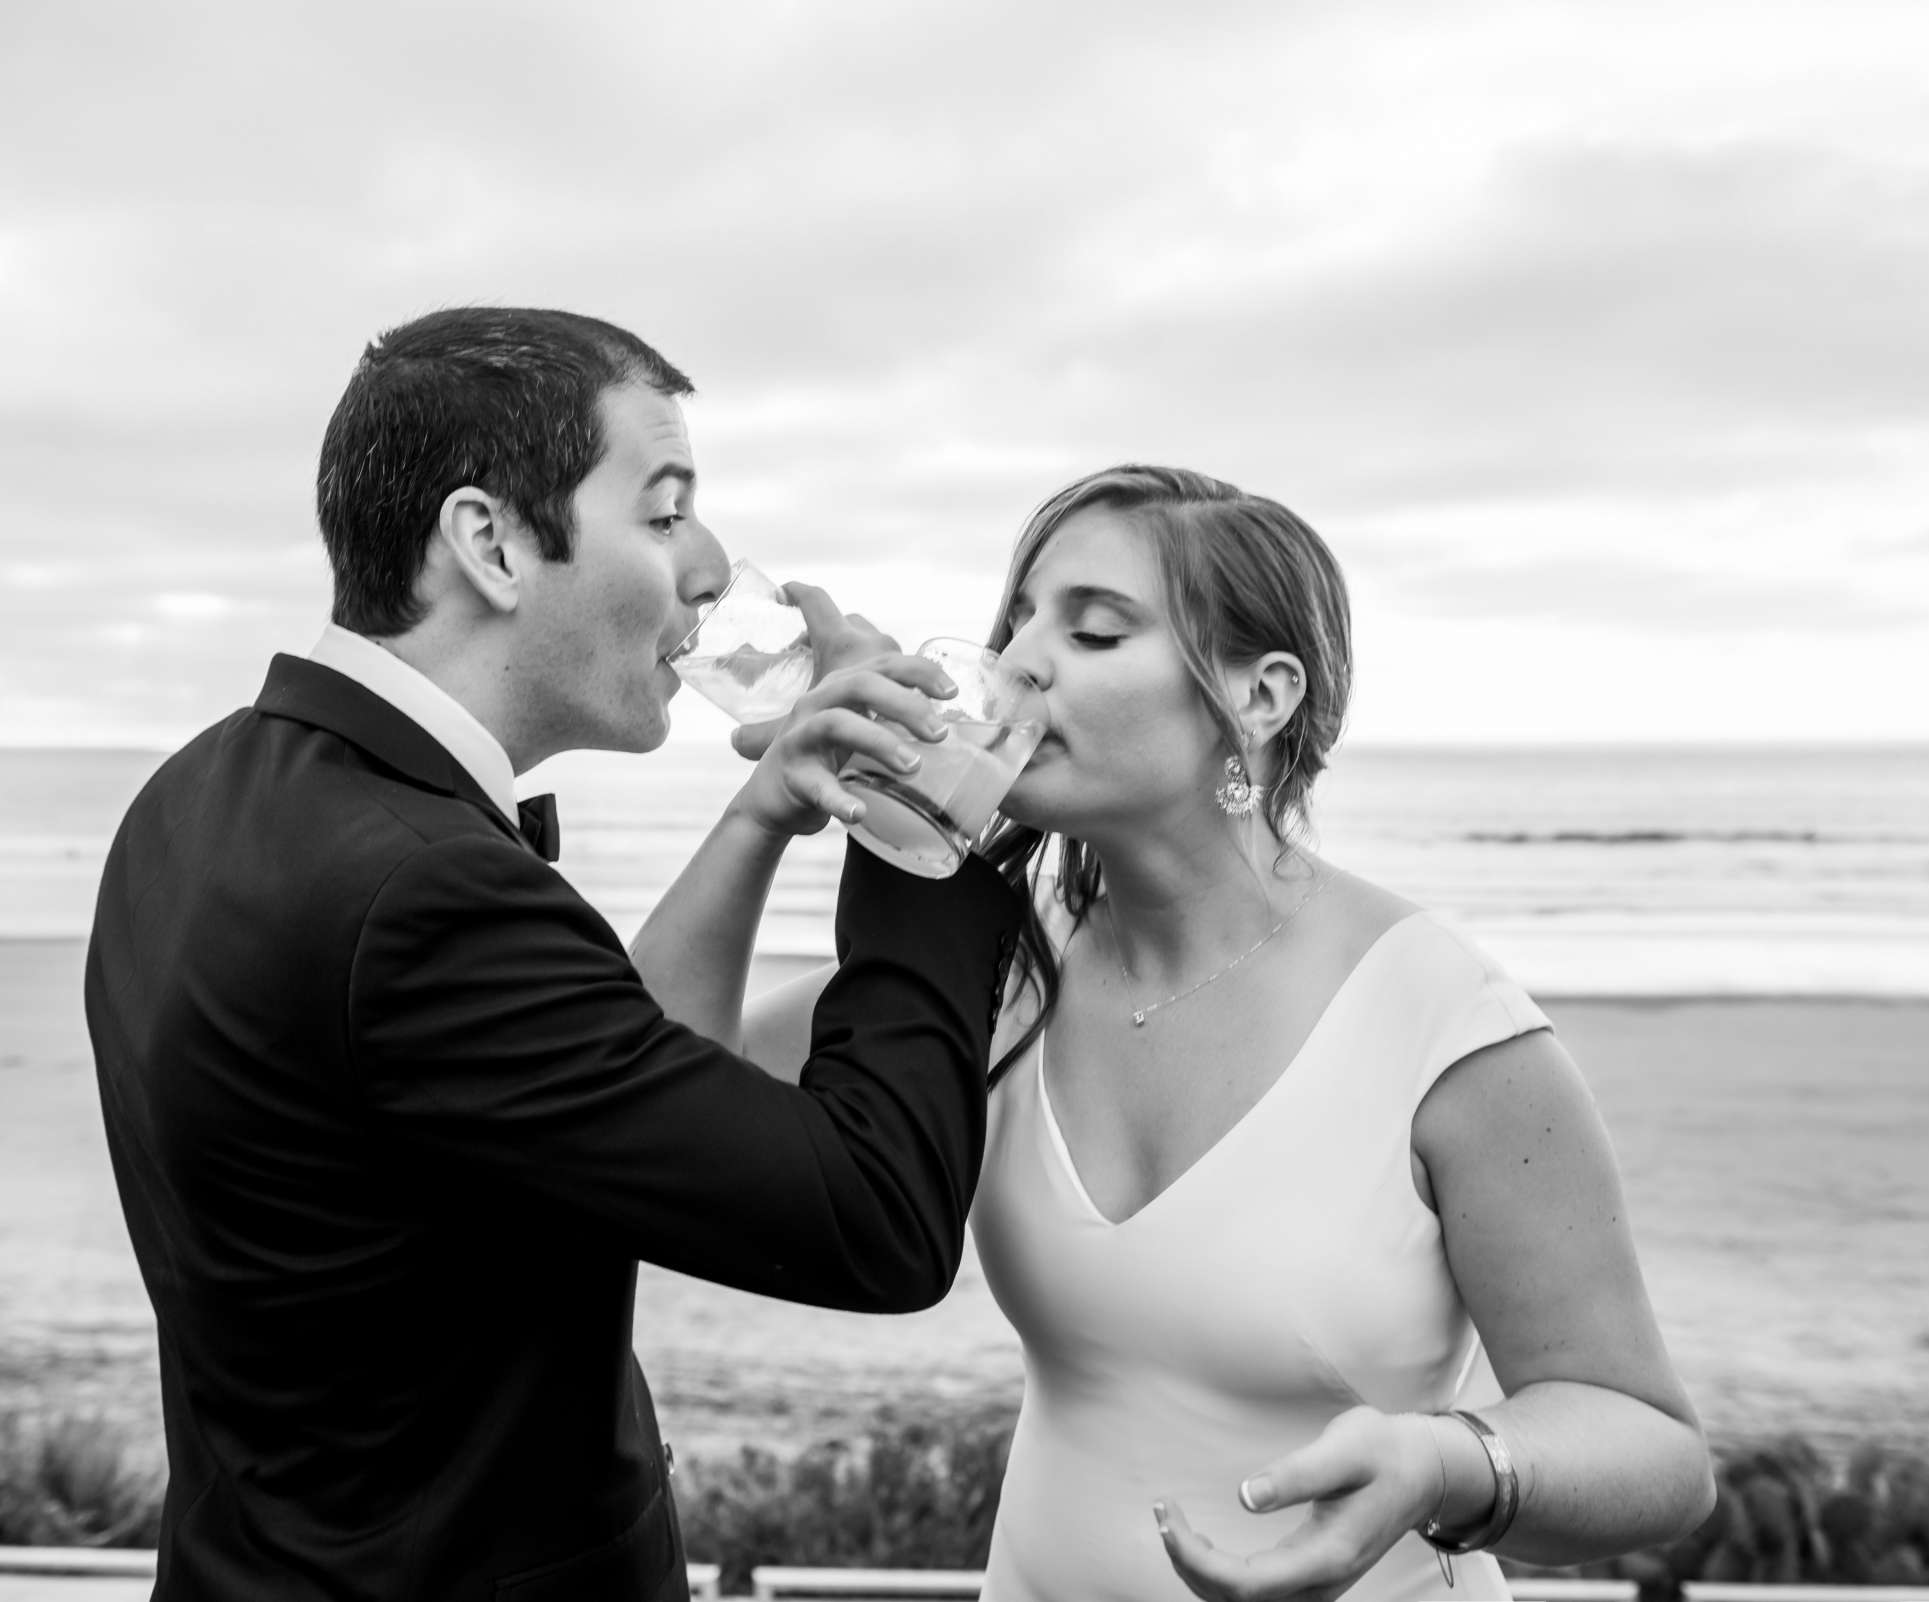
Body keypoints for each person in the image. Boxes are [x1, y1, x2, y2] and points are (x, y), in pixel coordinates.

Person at [83, 306, 1021, 1601]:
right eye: (663, 508)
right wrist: (918, 809)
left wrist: (763, 815)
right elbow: (878, 1219)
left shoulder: (199, 797)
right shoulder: (423, 897)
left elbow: (620, 1097)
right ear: (493, 541)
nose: (711, 564)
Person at [734, 465, 1717, 1599]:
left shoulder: (1443, 1024)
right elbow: (633, 1099)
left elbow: (1654, 1451)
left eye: (1094, 632)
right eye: (1019, 621)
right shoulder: (1000, 967)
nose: (1017, 665)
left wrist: (1446, 1462)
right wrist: (770, 812)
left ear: (1262, 697)